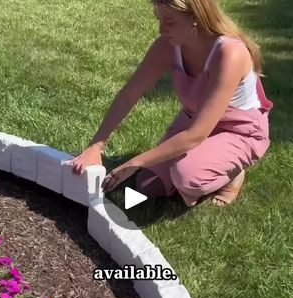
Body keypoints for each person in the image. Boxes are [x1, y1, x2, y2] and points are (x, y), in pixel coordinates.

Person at [69, 0, 273, 207]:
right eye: (159, 20)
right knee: (148, 185)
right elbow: (130, 94)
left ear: (196, 18)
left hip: (238, 131)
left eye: (169, 22)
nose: (160, 29)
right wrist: (96, 145)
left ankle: (232, 174)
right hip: (194, 120)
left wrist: (135, 162)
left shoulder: (230, 53)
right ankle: (203, 162)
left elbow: (196, 135)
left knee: (187, 176)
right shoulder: (168, 45)